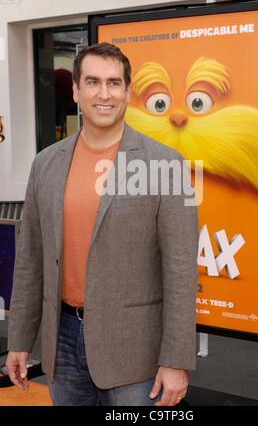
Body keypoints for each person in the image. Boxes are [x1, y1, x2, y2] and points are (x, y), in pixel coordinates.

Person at [6, 42, 199, 406]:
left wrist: (176, 359)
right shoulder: (45, 164)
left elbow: (181, 270)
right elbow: (30, 260)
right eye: (93, 82)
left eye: (114, 83)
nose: (104, 93)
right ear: (77, 90)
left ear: (128, 91)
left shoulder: (166, 164)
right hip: (60, 339)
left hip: (135, 348)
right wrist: (19, 340)